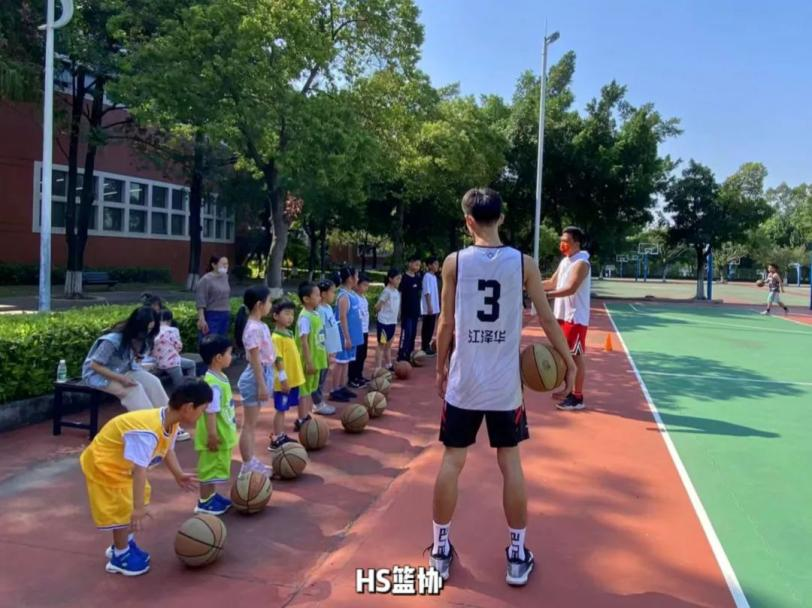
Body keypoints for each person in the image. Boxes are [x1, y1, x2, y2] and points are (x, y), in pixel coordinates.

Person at [430, 187, 575, 586]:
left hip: (464, 382)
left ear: (468, 222)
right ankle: (516, 555)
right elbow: (547, 319)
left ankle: (440, 550)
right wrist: (568, 364)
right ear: (502, 219)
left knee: (452, 462)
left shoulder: (454, 262)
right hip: (504, 386)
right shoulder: (524, 263)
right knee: (510, 464)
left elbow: (446, 323)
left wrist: (440, 369)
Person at [80, 380, 211, 576]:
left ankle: (125, 543)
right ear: (188, 407)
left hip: (120, 464)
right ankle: (120, 556)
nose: (203, 414)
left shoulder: (170, 422)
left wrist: (178, 474)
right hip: (104, 465)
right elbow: (139, 471)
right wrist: (138, 508)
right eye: (203, 409)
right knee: (123, 509)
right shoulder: (147, 433)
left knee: (136, 498)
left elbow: (167, 450)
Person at [544, 226, 592, 411]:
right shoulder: (565, 261)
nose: (562, 244)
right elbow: (552, 282)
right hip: (562, 316)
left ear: (577, 242)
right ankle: (568, 391)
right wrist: (527, 284)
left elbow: (571, 288)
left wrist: (545, 296)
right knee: (565, 356)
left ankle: (577, 397)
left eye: (566, 241)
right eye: (561, 240)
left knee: (575, 358)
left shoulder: (581, 263)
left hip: (575, 318)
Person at [194, 334, 238, 516]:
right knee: (208, 470)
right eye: (229, 353)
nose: (231, 356)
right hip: (215, 436)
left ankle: (211, 497)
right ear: (218, 357)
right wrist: (212, 435)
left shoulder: (220, 376)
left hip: (222, 433)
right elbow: (210, 412)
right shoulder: (213, 384)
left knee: (214, 469)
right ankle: (204, 502)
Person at [235, 286, 274, 476]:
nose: (271, 305)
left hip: (263, 373)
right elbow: (255, 360)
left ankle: (250, 461)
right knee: (248, 425)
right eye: (269, 301)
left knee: (251, 424)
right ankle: (247, 464)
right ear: (259, 304)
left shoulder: (260, 326)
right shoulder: (253, 328)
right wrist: (261, 384)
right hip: (256, 376)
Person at [268, 300, 308, 451]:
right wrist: (283, 379)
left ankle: (282, 434)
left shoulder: (289, 333)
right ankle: (277, 438)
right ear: (276, 316)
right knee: (281, 409)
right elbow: (278, 360)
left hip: (293, 380)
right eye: (286, 314)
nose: (290, 317)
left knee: (284, 408)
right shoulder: (276, 338)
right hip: (284, 382)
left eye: (292, 314)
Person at [297, 282, 333, 418]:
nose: (320, 297)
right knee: (305, 391)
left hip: (318, 359)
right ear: (306, 299)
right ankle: (303, 418)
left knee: (311, 389)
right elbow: (304, 342)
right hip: (310, 361)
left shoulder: (315, 314)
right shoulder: (305, 317)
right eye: (317, 295)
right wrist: (309, 362)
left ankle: (307, 416)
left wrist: (326, 354)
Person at [329, 267, 363, 402]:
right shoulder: (343, 296)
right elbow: (342, 317)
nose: (358, 279)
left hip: (352, 335)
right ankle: (334, 390)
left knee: (346, 362)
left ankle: (341, 386)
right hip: (344, 335)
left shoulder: (352, 294)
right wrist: (347, 338)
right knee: (340, 362)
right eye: (357, 276)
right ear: (350, 279)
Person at [152, 309, 196, 389]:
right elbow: (179, 347)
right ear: (170, 320)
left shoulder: (154, 331)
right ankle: (192, 387)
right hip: (173, 363)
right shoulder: (173, 330)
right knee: (191, 365)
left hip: (158, 363)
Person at [314, 280, 341, 409]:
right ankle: (317, 404)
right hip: (323, 351)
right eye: (332, 292)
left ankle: (319, 402)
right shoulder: (320, 310)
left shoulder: (329, 308)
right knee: (319, 378)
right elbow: (321, 332)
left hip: (330, 350)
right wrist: (325, 351)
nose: (334, 294)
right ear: (323, 294)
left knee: (323, 377)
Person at [196, 255, 232, 342]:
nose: (225, 266)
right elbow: (201, 300)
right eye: (223, 264)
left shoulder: (225, 277)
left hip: (225, 313)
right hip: (212, 314)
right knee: (210, 341)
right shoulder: (206, 279)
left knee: (222, 341)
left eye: (227, 264)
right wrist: (202, 318)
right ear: (214, 265)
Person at [375, 268, 402, 372]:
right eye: (397, 278)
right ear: (390, 279)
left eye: (400, 279)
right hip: (384, 323)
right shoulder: (386, 292)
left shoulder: (396, 292)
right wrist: (380, 315)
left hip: (392, 322)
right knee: (381, 345)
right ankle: (378, 368)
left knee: (389, 345)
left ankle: (388, 364)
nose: (399, 281)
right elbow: (377, 306)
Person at [348, 272, 372, 388]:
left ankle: (359, 375)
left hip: (365, 330)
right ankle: (352, 378)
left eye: (367, 285)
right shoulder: (353, 298)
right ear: (357, 285)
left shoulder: (364, 298)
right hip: (357, 331)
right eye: (364, 285)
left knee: (363, 355)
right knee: (356, 356)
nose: (366, 288)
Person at [398, 254, 423, 361]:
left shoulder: (418, 278)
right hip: (406, 311)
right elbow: (400, 294)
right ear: (410, 263)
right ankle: (401, 355)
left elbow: (418, 295)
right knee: (406, 334)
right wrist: (399, 311)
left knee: (413, 334)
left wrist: (419, 311)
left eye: (419, 265)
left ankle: (409, 355)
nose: (418, 267)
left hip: (415, 311)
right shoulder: (403, 278)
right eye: (416, 264)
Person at [421, 256, 441, 355]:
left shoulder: (434, 277)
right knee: (427, 327)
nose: (437, 266)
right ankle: (425, 346)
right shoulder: (427, 276)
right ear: (429, 265)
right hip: (429, 307)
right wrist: (429, 306)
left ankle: (427, 345)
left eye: (437, 264)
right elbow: (427, 292)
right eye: (435, 264)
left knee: (431, 327)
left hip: (434, 307)